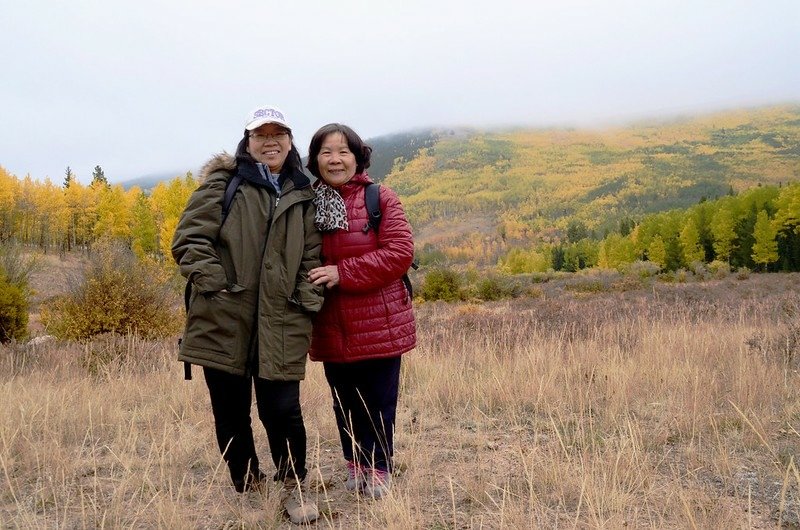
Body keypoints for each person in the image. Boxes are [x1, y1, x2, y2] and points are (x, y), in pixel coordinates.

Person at [171, 105, 322, 524]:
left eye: (278, 134)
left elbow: (313, 256)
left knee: (284, 410)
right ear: (248, 140)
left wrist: (305, 300)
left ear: (290, 141)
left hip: (283, 320)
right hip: (224, 318)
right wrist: (217, 286)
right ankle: (248, 482)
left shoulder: (302, 191)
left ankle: (293, 484)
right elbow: (189, 240)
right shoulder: (224, 183)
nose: (270, 141)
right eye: (261, 134)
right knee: (230, 410)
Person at [306, 123, 416, 499]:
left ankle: (380, 466)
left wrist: (342, 272)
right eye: (326, 152)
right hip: (332, 323)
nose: (334, 159)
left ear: (357, 157)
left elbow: (400, 253)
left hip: (380, 320)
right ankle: (355, 462)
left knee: (380, 401)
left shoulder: (379, 197)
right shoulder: (308, 203)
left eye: (343, 151)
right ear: (315, 159)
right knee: (344, 400)